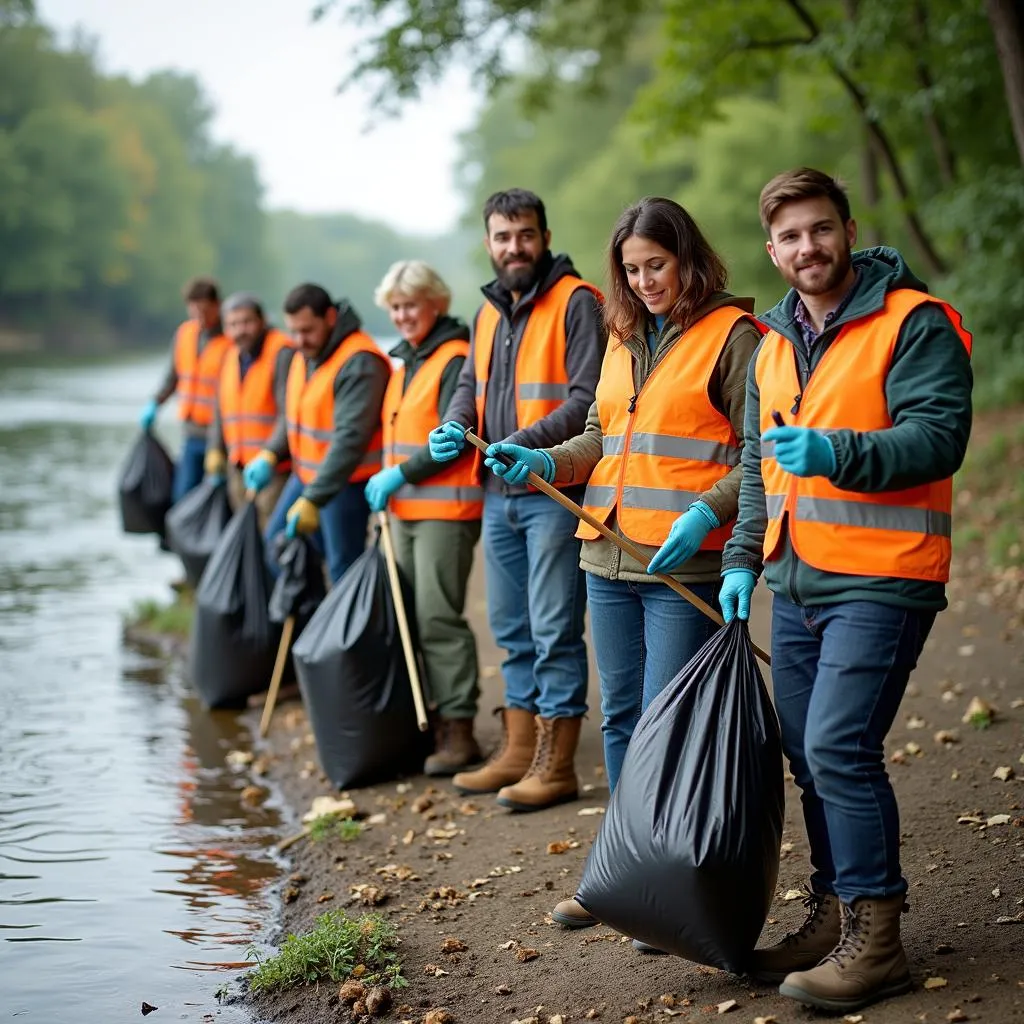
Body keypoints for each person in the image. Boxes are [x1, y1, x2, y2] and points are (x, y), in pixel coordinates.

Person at [720, 168, 972, 1013]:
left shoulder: (914, 321)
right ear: (772, 250)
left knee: (838, 747)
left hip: (886, 573)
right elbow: (757, 469)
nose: (807, 248)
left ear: (848, 229)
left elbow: (939, 438)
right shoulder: (769, 342)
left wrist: (839, 455)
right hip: (794, 580)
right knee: (807, 753)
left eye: (820, 230)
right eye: (789, 237)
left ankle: (879, 941)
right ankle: (835, 914)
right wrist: (738, 561)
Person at [483, 197, 763, 936]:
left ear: (688, 259)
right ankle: (619, 873)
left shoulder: (733, 337)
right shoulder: (620, 332)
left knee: (669, 729)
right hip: (605, 556)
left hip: (683, 567)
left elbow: (757, 456)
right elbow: (602, 436)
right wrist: (545, 458)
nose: (643, 282)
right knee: (623, 721)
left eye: (656, 266)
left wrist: (706, 513)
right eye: (632, 270)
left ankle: (671, 887)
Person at [428, 188, 606, 812]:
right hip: (498, 494)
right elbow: (469, 386)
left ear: (545, 236)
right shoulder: (486, 314)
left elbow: (588, 401)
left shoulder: (578, 302)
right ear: (488, 244)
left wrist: (520, 443)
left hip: (553, 489)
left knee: (555, 627)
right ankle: (517, 748)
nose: (514, 247)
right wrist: (456, 425)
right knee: (510, 627)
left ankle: (556, 765)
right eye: (503, 237)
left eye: (525, 235)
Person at [364, 260, 484, 776]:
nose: (402, 315)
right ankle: (432, 720)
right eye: (394, 307)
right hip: (406, 510)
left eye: (410, 304)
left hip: (444, 511)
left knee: (437, 617)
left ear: (435, 302)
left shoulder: (453, 357)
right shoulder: (407, 361)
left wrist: (398, 473)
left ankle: (459, 729)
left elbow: (452, 445)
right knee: (411, 617)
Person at [257, 284, 391, 584]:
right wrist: (270, 453)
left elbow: (350, 439)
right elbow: (296, 418)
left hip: (345, 485)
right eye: (293, 331)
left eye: (307, 330)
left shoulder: (359, 362)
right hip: (306, 478)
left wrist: (314, 499)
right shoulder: (307, 354)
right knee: (276, 548)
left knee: (343, 569)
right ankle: (314, 622)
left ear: (330, 317)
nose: (299, 340)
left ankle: (346, 629)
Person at [201, 293, 294, 529]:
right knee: (245, 536)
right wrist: (215, 449)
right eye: (233, 325)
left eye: (247, 322)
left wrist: (269, 455)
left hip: (275, 470)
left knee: (270, 536)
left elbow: (289, 413)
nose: (240, 330)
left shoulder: (282, 353)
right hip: (238, 467)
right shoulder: (230, 356)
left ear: (262, 320)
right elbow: (221, 409)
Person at [140, 276, 232, 503]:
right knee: (182, 497)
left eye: (204, 311)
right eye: (194, 312)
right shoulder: (184, 334)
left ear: (217, 305)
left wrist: (219, 446)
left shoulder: (232, 339)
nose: (199, 318)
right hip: (191, 433)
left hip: (222, 438)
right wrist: (155, 403)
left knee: (216, 502)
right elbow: (172, 377)